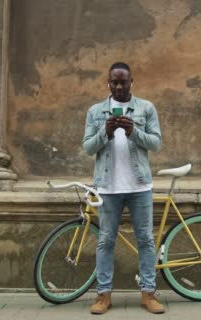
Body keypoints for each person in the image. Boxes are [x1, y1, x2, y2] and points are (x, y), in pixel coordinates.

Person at [82, 62, 165, 314]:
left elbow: (156, 143)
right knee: (105, 241)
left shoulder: (146, 108)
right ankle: (103, 296)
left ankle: (148, 294)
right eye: (114, 82)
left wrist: (134, 132)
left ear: (131, 82)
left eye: (123, 82)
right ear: (108, 83)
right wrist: (104, 133)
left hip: (139, 186)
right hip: (107, 188)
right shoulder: (96, 111)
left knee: (145, 240)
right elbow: (87, 147)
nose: (118, 86)